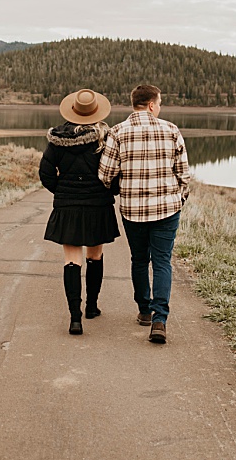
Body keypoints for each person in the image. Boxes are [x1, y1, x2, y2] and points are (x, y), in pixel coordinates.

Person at [99, 84, 192, 344]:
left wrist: (124, 189)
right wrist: (178, 200)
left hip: (133, 210)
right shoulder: (171, 130)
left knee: (140, 259)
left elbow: (105, 175)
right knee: (162, 261)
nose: (160, 107)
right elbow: (183, 174)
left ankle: (144, 311)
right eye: (159, 103)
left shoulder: (117, 132)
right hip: (167, 209)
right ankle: (160, 319)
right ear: (152, 105)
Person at [39, 88, 121, 336]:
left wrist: (63, 191)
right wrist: (110, 191)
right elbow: (113, 171)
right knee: (95, 256)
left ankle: (75, 318)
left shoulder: (56, 139)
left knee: (71, 261)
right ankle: (92, 307)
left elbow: (45, 174)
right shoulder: (105, 138)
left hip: (68, 207)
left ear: (72, 111)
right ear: (96, 112)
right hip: (98, 205)